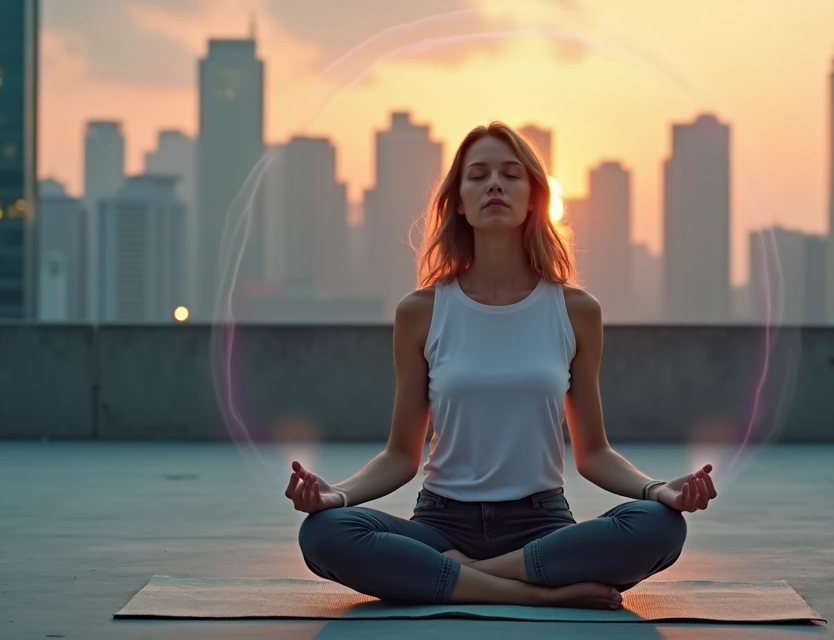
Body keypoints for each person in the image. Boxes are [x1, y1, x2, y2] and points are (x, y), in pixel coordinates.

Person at [285, 121, 718, 610]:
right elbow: (400, 456)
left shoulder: (575, 310)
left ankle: (463, 578)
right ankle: (539, 595)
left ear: (536, 197)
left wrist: (658, 489)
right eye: (478, 175)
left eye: (511, 174)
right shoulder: (421, 311)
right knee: (324, 533)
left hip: (540, 527)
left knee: (659, 526)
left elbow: (593, 453)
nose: (494, 183)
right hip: (440, 524)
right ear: (459, 202)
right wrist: (335, 497)